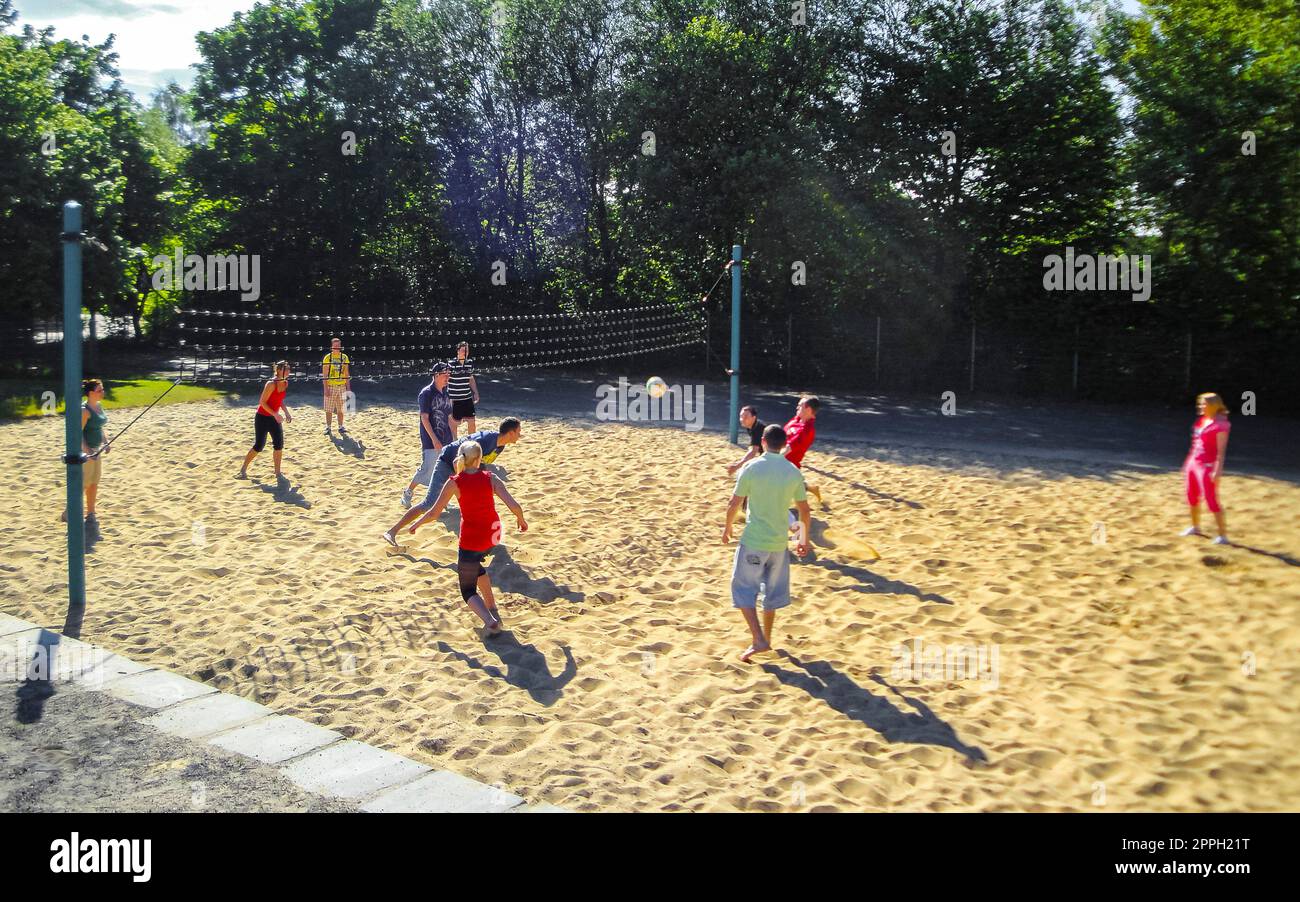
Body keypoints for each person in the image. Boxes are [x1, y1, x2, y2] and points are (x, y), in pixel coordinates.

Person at [410, 440, 528, 634]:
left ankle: (490, 622)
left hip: (472, 539)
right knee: (475, 566)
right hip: (493, 535)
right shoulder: (491, 478)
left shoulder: (455, 482)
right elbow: (514, 505)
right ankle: (492, 607)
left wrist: (417, 524)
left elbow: (433, 513)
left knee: (467, 590)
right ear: (480, 459)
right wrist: (521, 520)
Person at [722, 424, 811, 663]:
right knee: (771, 594)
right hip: (779, 544)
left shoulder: (752, 468)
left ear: (763, 441)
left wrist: (728, 527)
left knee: (742, 590)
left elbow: (734, 503)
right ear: (783, 445)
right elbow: (804, 510)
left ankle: (758, 639)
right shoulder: (793, 471)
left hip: (754, 541)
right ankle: (766, 639)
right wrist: (803, 539)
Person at [383, 417, 523, 546]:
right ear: (511, 432)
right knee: (428, 504)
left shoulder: (499, 446)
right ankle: (392, 531)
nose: (520, 435)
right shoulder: (486, 441)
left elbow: (481, 464)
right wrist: (464, 481)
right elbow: (458, 461)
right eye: (518, 432)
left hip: (462, 468)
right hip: (447, 463)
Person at [402, 362, 455, 508]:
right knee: (426, 469)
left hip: (446, 438)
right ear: (436, 375)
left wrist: (455, 438)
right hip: (431, 439)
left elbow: (449, 417)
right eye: (445, 374)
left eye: (449, 374)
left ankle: (442, 500)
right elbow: (424, 418)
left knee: (445, 470)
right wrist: (434, 439)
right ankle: (407, 493)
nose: (448, 377)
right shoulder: (426, 393)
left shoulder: (446, 392)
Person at [1181, 392, 1231, 544]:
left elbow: (1221, 452)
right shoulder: (1202, 421)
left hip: (1207, 466)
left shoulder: (1221, 424)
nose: (1201, 406)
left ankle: (1222, 535)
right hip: (1193, 463)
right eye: (1200, 403)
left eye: (1204, 404)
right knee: (1191, 496)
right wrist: (1187, 463)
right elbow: (1196, 444)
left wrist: (1217, 470)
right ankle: (1195, 527)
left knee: (1211, 500)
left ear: (1213, 405)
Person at [62, 378, 110, 528]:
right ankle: (68, 512)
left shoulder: (99, 406)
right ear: (90, 393)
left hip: (97, 451)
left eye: (102, 389)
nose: (103, 392)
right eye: (99, 390)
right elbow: (78, 433)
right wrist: (88, 451)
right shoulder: (84, 410)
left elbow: (99, 428)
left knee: (94, 483)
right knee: (83, 484)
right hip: (85, 453)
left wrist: (106, 442)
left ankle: (91, 513)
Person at [238, 361, 293, 479]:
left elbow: (280, 400)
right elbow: (262, 402)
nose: (289, 371)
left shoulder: (285, 383)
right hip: (262, 417)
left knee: (279, 445)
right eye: (286, 369)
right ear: (279, 370)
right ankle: (243, 469)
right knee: (259, 446)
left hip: (274, 418)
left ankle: (278, 473)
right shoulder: (271, 384)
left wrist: (286, 412)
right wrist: (275, 414)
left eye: (289, 368)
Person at [782, 395, 821, 503]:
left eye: (800, 406)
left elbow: (788, 448)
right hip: (783, 462)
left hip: (788, 467)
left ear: (808, 410)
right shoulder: (798, 419)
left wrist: (773, 459)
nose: (797, 408)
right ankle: (811, 488)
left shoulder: (807, 430)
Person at [448, 341, 479, 436]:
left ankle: (471, 442)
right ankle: (454, 443)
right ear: (458, 351)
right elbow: (446, 379)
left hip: (467, 398)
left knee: (472, 421)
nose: (465, 353)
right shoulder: (451, 364)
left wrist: (476, 392)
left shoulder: (469, 363)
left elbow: (471, 378)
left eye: (467, 351)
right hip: (455, 398)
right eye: (463, 350)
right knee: (454, 422)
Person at [321, 337, 351, 434]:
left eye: (338, 346)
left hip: (341, 386)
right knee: (328, 409)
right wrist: (325, 388)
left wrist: (348, 388)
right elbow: (324, 375)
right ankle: (328, 427)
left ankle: (341, 426)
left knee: (341, 409)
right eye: (335, 347)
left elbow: (346, 374)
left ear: (340, 347)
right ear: (331, 347)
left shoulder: (344, 357)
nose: (336, 348)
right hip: (330, 386)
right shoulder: (327, 358)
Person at [725, 405, 766, 477]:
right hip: (768, 454)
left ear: (754, 417)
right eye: (741, 416)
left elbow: (753, 452)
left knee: (745, 471)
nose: (742, 419)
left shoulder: (757, 429)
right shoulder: (751, 426)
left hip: (774, 456)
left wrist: (737, 466)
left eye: (746, 417)